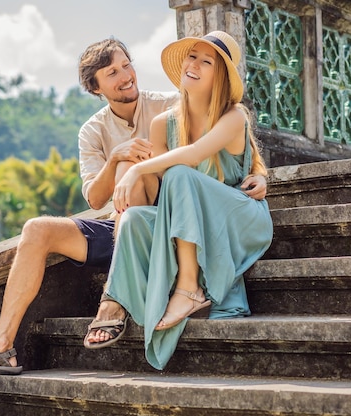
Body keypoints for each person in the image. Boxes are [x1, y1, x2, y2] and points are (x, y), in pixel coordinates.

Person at [0, 38, 181, 380]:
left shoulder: (169, 104)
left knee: (130, 169)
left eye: (127, 65)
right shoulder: (93, 130)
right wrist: (114, 156)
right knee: (37, 229)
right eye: (112, 72)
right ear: (96, 87)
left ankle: (114, 300)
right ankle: (0, 346)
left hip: (168, 225)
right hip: (120, 226)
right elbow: (95, 199)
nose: (126, 76)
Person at [83, 31, 274, 372]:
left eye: (207, 61)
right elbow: (158, 195)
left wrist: (134, 171)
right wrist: (132, 172)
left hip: (237, 215)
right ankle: (124, 300)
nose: (195, 65)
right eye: (192, 57)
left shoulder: (234, 116)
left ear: (221, 75)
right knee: (134, 219)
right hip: (192, 220)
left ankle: (189, 288)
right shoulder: (163, 123)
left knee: (180, 173)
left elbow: (198, 155)